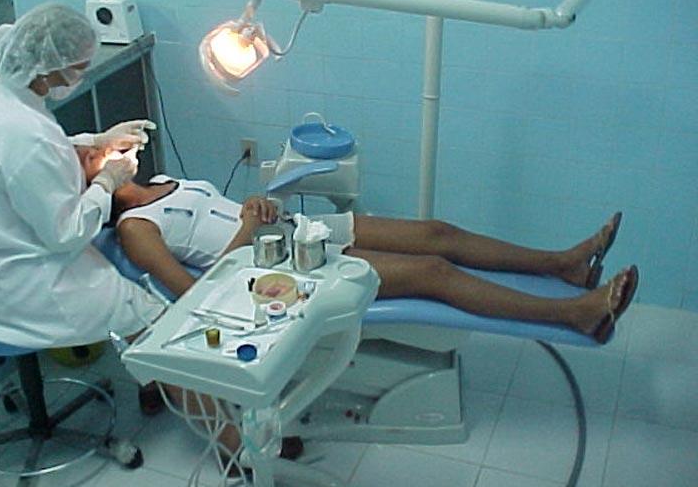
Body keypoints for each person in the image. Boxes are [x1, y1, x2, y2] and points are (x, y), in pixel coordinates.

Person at [75, 145, 639, 345]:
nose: (100, 149)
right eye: (87, 156)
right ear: (91, 185)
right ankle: (573, 314)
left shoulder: (162, 181)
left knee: (436, 233)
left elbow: (221, 217)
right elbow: (195, 294)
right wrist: (249, 230)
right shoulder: (135, 229)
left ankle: (564, 265)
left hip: (294, 231)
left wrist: (256, 207)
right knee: (432, 271)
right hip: (279, 269)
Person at [0, 2, 163, 351]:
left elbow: (30, 157)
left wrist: (96, 141)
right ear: (46, 68)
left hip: (1, 265)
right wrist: (107, 181)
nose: (81, 74)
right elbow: (67, 233)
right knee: (153, 321)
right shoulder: (26, 136)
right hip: (39, 288)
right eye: (78, 67)